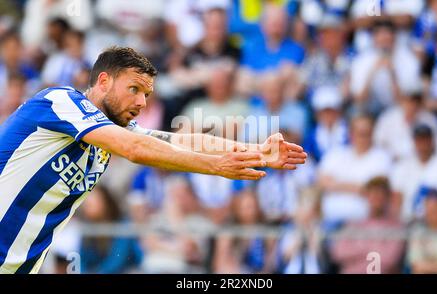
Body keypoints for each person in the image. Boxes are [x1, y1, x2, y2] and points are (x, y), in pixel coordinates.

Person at [0, 46, 307, 274]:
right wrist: (216, 167)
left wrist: (257, 152)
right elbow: (135, 149)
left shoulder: (111, 129)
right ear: (103, 81)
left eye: (146, 94)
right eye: (133, 89)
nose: (141, 102)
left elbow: (178, 139)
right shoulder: (61, 101)